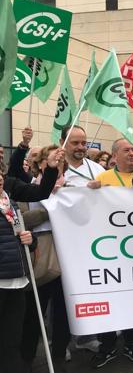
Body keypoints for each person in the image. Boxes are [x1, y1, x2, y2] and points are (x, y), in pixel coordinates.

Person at [0, 147, 63, 373]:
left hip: (17, 278)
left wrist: (52, 169)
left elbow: (41, 193)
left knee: (11, 340)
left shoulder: (9, 192)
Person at [86, 138, 133, 368]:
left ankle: (132, 342)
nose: (132, 154)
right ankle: (107, 344)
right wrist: (89, 192)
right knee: (109, 297)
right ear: (114, 156)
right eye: (126, 150)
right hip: (110, 250)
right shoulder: (102, 179)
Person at [20, 145, 71, 373]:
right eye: (53, 163)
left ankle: (60, 352)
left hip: (67, 255)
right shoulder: (25, 189)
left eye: (61, 166)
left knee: (63, 309)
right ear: (41, 164)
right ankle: (26, 358)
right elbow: (19, 220)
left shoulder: (70, 191)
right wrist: (49, 208)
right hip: (39, 255)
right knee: (34, 311)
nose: (57, 169)